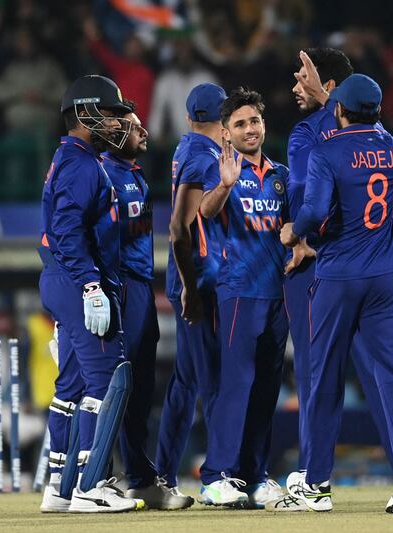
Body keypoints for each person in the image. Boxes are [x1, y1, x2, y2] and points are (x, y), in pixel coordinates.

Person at [269, 48, 393, 512]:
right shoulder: (386, 140)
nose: (296, 84)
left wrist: (294, 231)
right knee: (390, 374)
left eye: (304, 77)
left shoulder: (318, 143)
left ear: (336, 101)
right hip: (383, 274)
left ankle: (315, 485)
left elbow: (312, 206)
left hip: (334, 272)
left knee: (321, 378)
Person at [38, 74, 137, 513]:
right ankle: (91, 486)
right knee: (109, 379)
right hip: (79, 281)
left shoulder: (73, 158)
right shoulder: (80, 163)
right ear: (84, 114)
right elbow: (65, 230)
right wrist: (91, 285)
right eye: (111, 114)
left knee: (73, 386)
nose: (118, 123)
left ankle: (60, 488)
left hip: (65, 280)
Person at [197, 88, 289, 508]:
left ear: (263, 125)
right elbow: (205, 211)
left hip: (277, 296)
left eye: (254, 121)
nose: (250, 129)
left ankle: (255, 476)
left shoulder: (281, 175)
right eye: (240, 124)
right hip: (238, 293)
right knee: (237, 384)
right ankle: (217, 475)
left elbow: (293, 228)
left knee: (268, 388)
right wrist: (225, 184)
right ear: (226, 134)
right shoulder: (222, 171)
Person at [100, 109, 192, 510]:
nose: (145, 131)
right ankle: (96, 478)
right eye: (135, 126)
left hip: (139, 283)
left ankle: (138, 478)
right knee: (108, 385)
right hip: (115, 284)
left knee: (138, 387)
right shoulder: (100, 174)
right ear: (114, 132)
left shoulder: (132, 172)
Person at [155, 83, 226, 500]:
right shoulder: (203, 156)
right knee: (214, 379)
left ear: (189, 118)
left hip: (192, 278)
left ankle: (164, 473)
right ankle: (219, 476)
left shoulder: (186, 147)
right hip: (199, 279)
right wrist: (189, 287)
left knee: (186, 381)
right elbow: (180, 227)